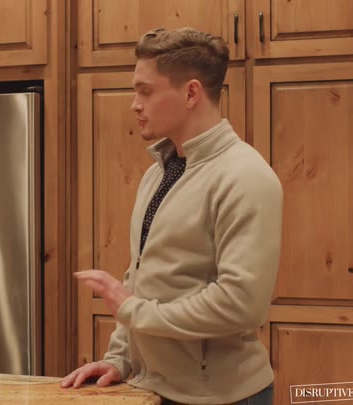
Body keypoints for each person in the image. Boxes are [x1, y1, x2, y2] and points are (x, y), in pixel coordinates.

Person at [61, 28, 282, 404]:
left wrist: (134, 311)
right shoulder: (158, 173)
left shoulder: (245, 176)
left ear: (191, 93)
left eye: (145, 91)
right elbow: (141, 278)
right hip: (154, 388)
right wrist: (120, 359)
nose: (134, 105)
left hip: (223, 397)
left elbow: (240, 304)